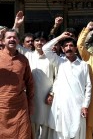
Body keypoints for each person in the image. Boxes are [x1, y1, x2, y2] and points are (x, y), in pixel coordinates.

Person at [13, 11, 57, 139]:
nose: (39, 43)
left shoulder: (52, 58)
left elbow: (58, 77)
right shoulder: (28, 54)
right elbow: (14, 41)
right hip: (31, 97)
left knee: (47, 128)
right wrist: (16, 25)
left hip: (48, 98)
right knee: (32, 127)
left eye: (42, 40)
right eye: (37, 40)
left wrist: (52, 93)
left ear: (46, 42)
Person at [43, 33, 92, 139]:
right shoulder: (60, 62)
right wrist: (60, 37)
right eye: (65, 46)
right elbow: (45, 48)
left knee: (78, 132)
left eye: (71, 46)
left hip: (78, 106)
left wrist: (85, 105)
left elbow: (88, 87)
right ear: (62, 48)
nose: (68, 48)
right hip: (62, 105)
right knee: (61, 134)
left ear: (75, 48)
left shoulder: (83, 65)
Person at [0, 29, 34, 138]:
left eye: (14, 37)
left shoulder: (23, 60)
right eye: (9, 37)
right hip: (2, 106)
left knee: (23, 134)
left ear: (18, 41)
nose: (12, 39)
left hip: (20, 106)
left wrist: (30, 104)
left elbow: (29, 83)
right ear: (2, 41)